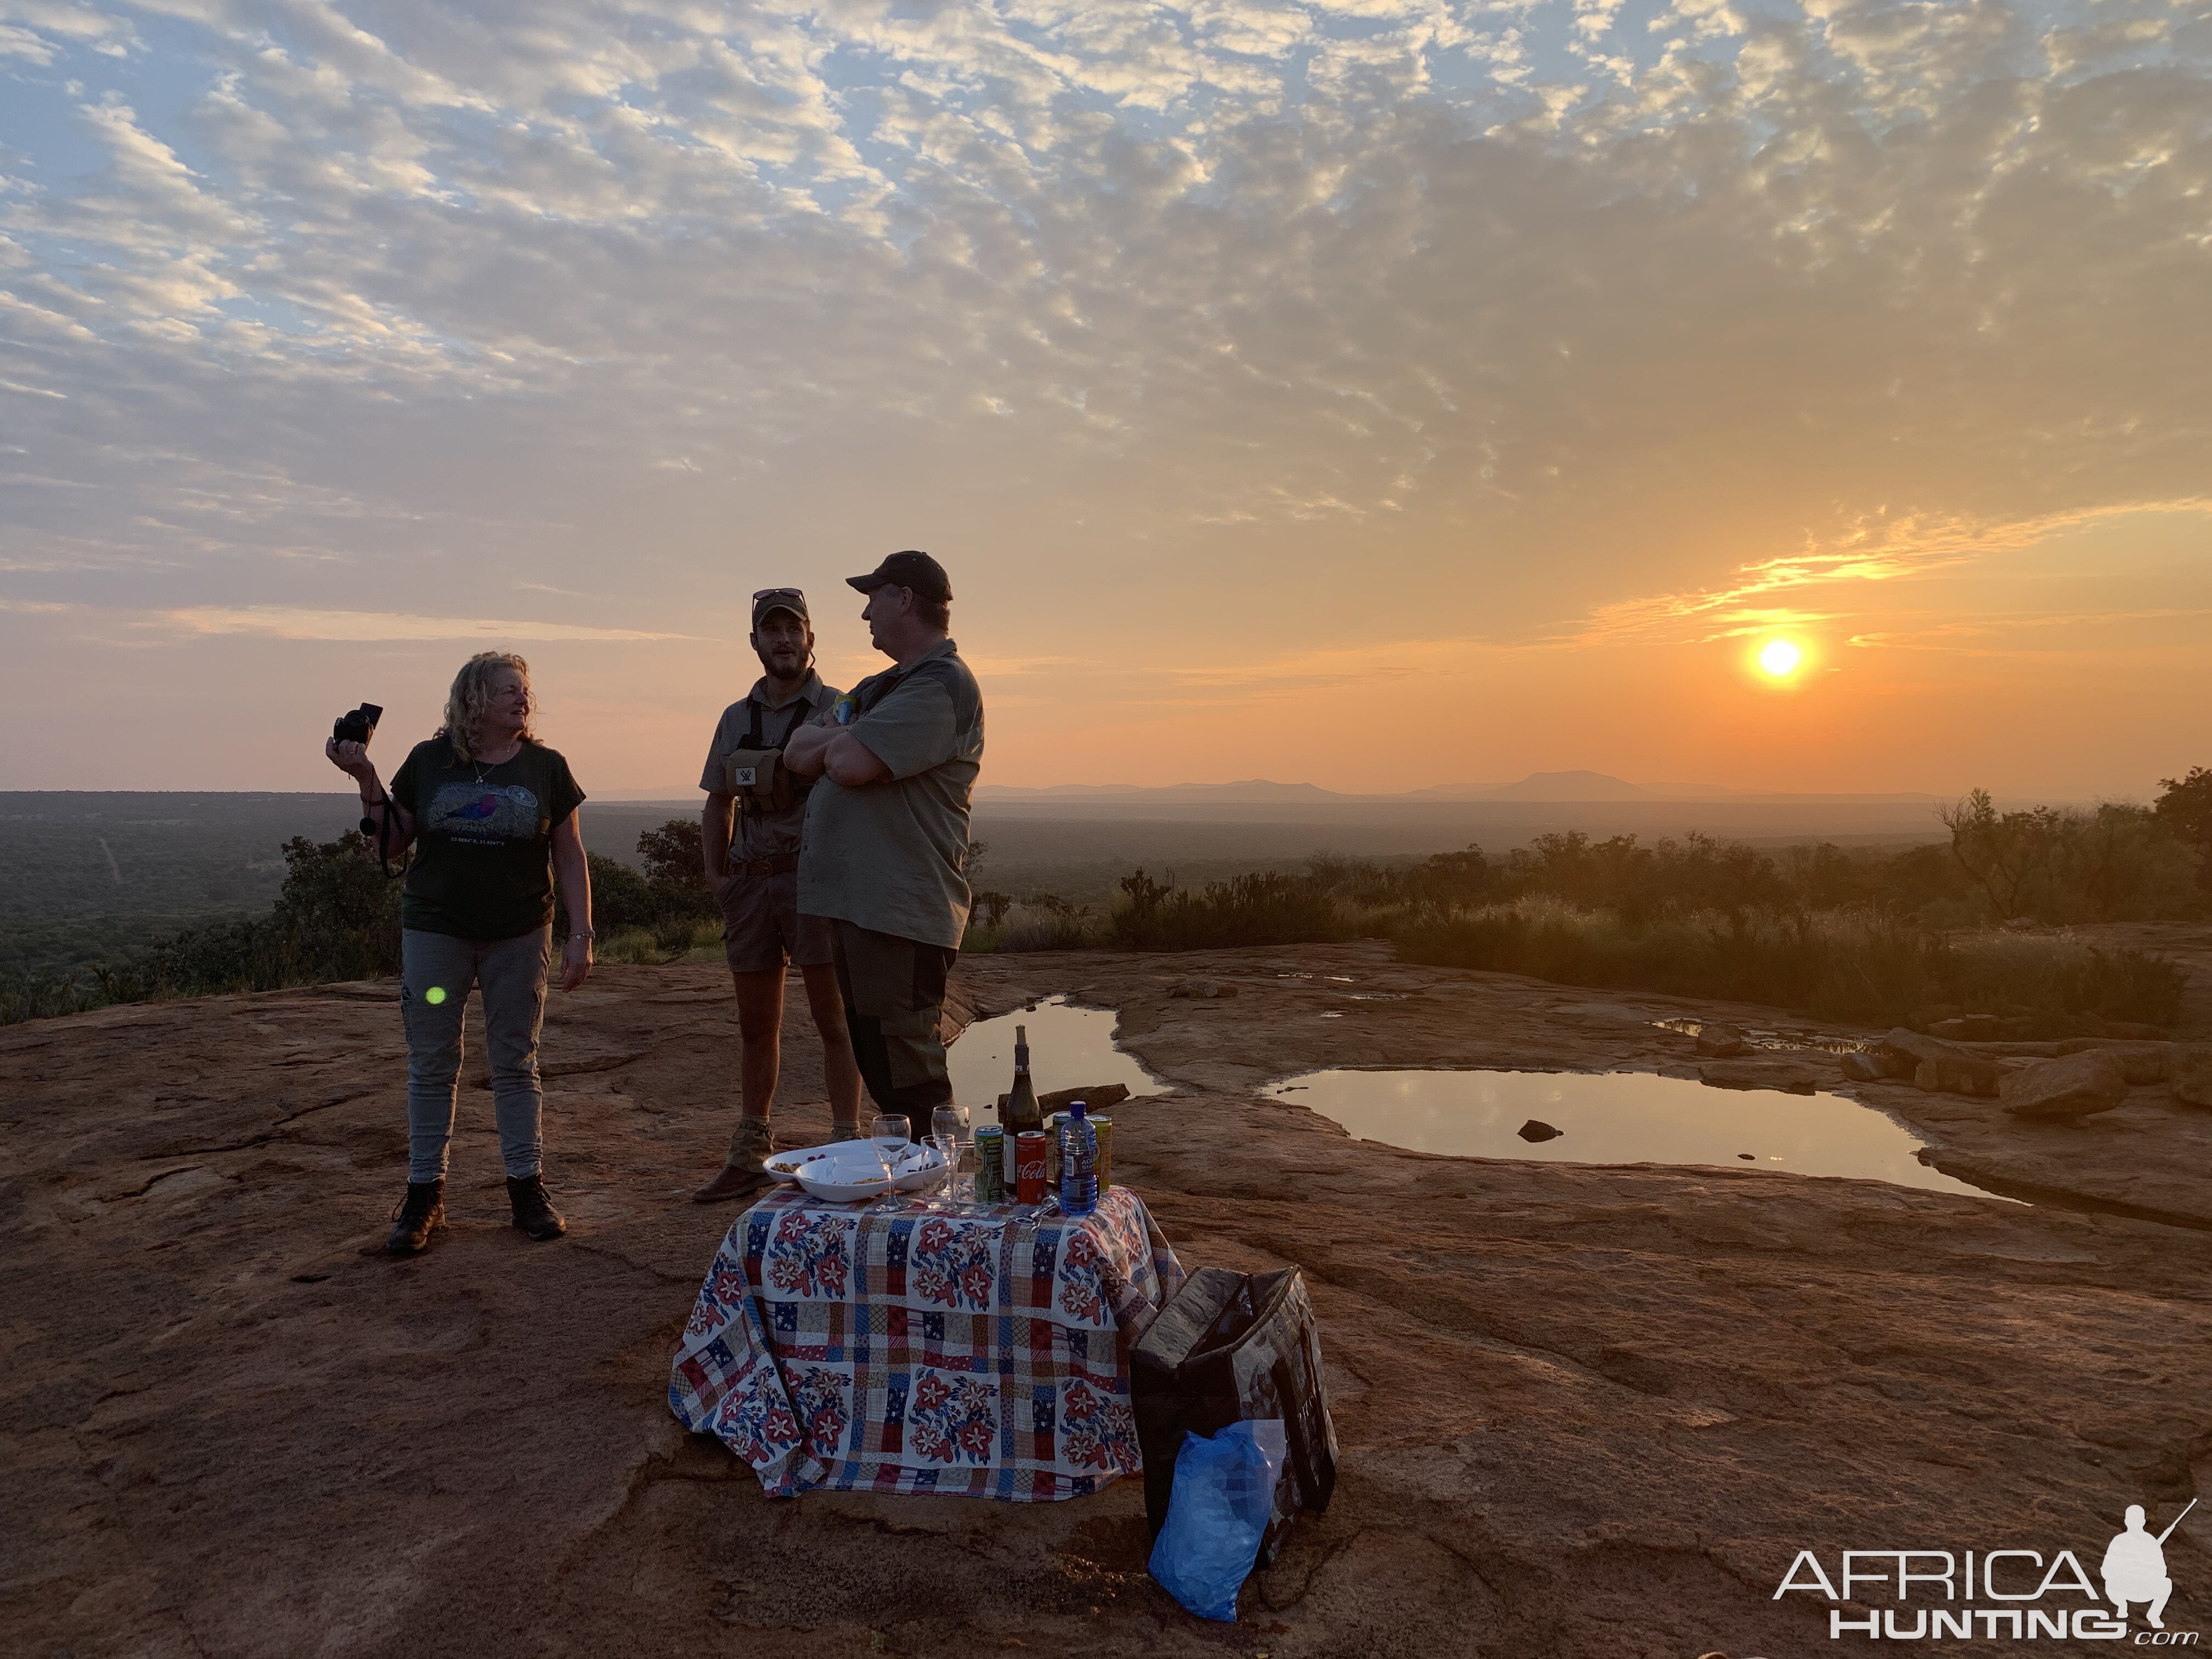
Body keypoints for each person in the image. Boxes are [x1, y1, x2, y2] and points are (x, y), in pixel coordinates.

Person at [325, 651, 594, 1256]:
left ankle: (527, 1190)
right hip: (437, 934)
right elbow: (391, 845)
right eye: (508, 692)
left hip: (520, 936)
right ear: (474, 700)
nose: (522, 701)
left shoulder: (547, 767)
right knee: (432, 1060)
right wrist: (366, 777)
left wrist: (582, 934)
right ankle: (425, 1194)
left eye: (525, 692)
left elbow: (570, 854)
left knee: (515, 1060)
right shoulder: (429, 761)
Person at [784, 551, 983, 1130]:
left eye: (873, 598)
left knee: (909, 1070)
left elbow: (846, 762)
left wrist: (837, 738)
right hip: (863, 906)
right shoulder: (878, 688)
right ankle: (928, 1195)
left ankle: (949, 1199)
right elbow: (797, 752)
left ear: (903, 599)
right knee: (883, 1066)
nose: (865, 613)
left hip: (901, 909)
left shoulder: (944, 685)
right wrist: (839, 736)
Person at [691, 587, 866, 1202]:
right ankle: (749, 1151)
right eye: (772, 631)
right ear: (755, 642)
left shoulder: (839, 707)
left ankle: (846, 1147)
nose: (784, 640)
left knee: (833, 1020)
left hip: (814, 881)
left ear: (811, 638)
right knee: (754, 1024)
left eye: (794, 629)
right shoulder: (736, 718)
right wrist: (718, 876)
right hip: (752, 883)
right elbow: (718, 801)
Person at [2101, 1504, 2175, 1628]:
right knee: (2110, 1583)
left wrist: (2146, 1571)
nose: (2134, 1524)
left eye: (2137, 1520)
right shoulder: (2119, 1541)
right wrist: (2125, 1571)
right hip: (2123, 1587)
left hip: (2145, 1588)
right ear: (2126, 1522)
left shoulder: (2151, 1542)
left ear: (2143, 1522)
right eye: (2132, 1520)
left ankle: (2154, 1615)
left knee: (2166, 1584)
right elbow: (2106, 1569)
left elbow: (2162, 1570)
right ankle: (2122, 1606)